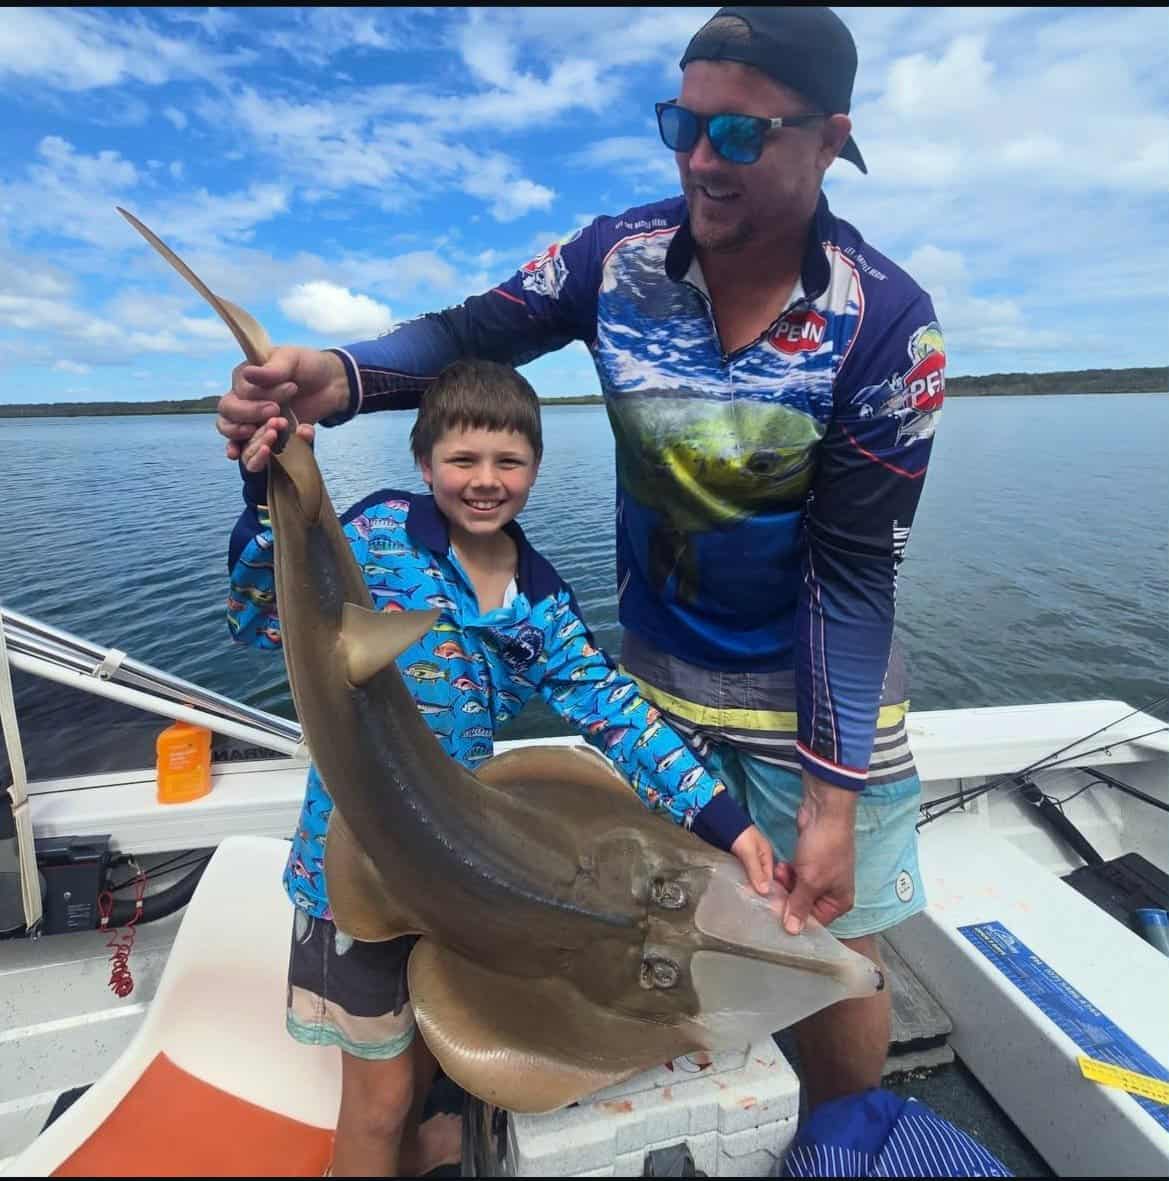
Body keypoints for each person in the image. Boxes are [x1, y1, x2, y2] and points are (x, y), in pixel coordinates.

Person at [217, 6, 945, 1113]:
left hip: (819, 699)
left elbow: (852, 575)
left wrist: (832, 798)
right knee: (640, 933)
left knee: (834, 946)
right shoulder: (617, 257)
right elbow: (471, 333)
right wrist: (342, 376)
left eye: (739, 134)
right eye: (682, 125)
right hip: (659, 671)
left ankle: (844, 1135)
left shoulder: (886, 325)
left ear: (827, 137)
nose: (701, 161)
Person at [226, 358, 778, 1176]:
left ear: (535, 469)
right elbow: (261, 619)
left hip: (463, 878)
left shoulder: (539, 601)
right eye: (463, 459)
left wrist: (726, 824)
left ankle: (411, 1152)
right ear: (424, 464)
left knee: (422, 1059)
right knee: (376, 1099)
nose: (485, 480)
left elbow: (615, 712)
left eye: (508, 461)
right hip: (352, 872)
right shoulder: (378, 533)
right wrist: (264, 490)